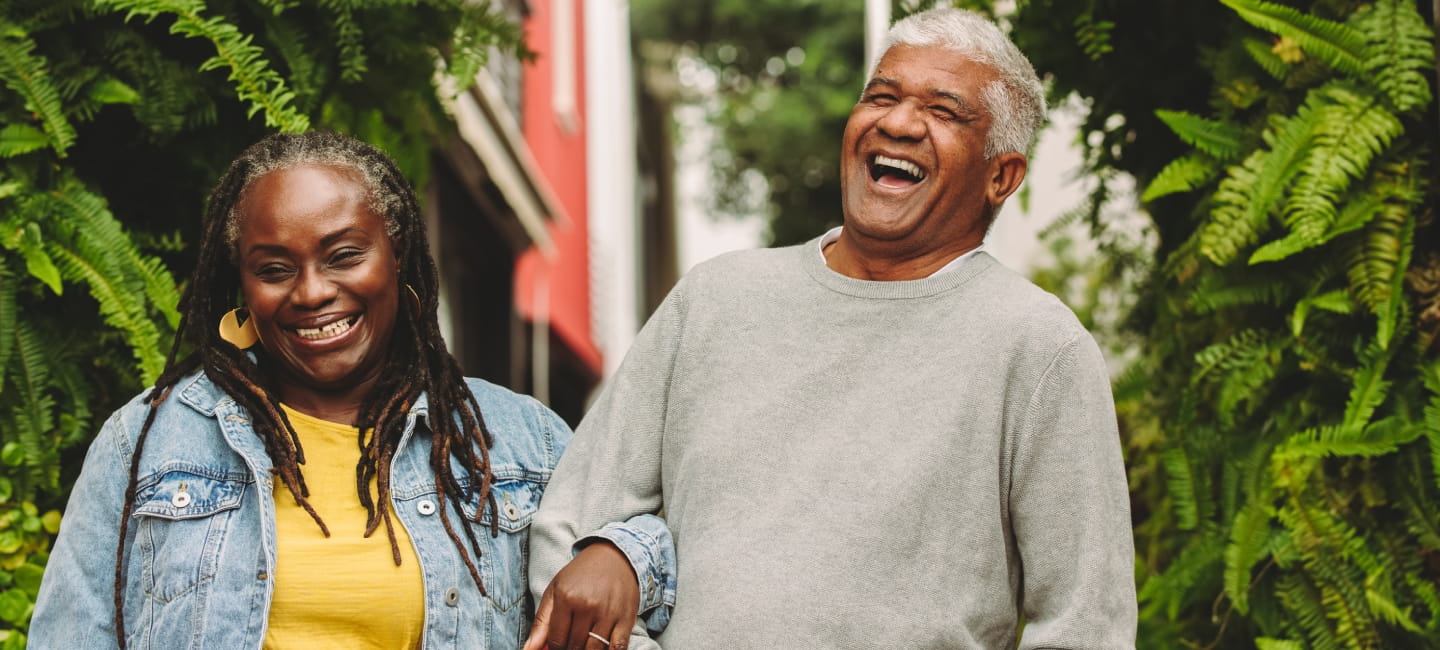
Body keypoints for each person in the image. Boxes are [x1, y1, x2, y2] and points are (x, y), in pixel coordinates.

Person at [529, 7, 1136, 648]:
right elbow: (571, 522)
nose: (898, 122)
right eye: (882, 96)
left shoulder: (1039, 348)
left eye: (944, 111)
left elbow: (1083, 626)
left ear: (1001, 176)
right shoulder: (716, 301)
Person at [30, 131, 672, 649]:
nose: (311, 292)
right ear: (243, 291)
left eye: (343, 255)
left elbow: (682, 543)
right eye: (275, 269)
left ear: (398, 257)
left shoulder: (516, 442)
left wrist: (621, 556)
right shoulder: (147, 440)